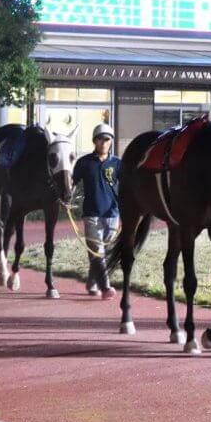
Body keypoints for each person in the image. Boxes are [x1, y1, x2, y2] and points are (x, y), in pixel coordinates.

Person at [72, 122, 121, 297]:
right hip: (92, 214)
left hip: (113, 215)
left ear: (111, 142)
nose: (104, 143)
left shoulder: (117, 163)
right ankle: (106, 287)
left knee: (104, 252)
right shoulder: (84, 163)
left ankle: (92, 282)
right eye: (100, 139)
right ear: (94, 141)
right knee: (97, 251)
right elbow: (71, 183)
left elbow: (125, 188)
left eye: (107, 139)